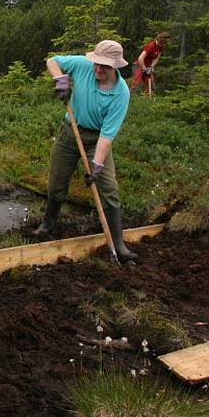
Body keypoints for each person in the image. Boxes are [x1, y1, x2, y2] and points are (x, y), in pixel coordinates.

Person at [35, 40, 138, 262]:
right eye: (96, 64)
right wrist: (60, 81)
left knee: (108, 187)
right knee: (57, 181)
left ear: (116, 67)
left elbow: (107, 135)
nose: (98, 70)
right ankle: (48, 224)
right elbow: (52, 61)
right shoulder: (82, 65)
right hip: (70, 132)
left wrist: (97, 164)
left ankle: (118, 244)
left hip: (96, 139)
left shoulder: (121, 94)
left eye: (105, 67)